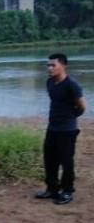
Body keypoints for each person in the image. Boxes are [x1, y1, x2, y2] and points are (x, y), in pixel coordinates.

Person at [35, 53, 87, 205]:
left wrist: (70, 118)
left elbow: (82, 107)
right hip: (52, 128)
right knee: (50, 159)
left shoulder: (72, 85)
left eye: (53, 65)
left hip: (67, 130)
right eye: (48, 65)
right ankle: (52, 189)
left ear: (63, 66)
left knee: (66, 161)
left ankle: (67, 191)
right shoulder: (50, 83)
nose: (49, 68)